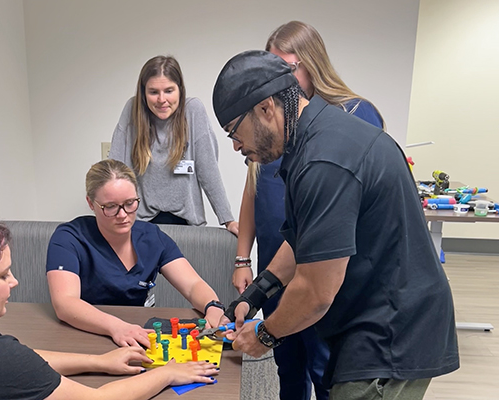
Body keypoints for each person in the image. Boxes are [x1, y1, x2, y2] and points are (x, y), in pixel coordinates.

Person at [212, 50, 459, 400]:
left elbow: (314, 293)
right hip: (377, 316)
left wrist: (264, 335)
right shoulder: (319, 135)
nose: (237, 145)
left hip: (391, 331)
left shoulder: (323, 162)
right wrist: (255, 294)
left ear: (266, 108)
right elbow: (303, 240)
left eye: (235, 131)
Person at [0, 209, 218, 400]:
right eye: (4, 275)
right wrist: (168, 373)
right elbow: (99, 399)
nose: (14, 283)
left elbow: (23, 360)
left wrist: (98, 361)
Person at [233, 21, 386, 400]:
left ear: (311, 64)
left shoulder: (342, 128)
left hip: (334, 275)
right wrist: (253, 287)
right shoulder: (275, 130)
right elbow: (293, 227)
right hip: (286, 259)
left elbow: (320, 277)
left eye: (285, 69)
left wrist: (264, 333)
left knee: (327, 369)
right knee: (289, 366)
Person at [46, 159, 227, 348]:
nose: (123, 214)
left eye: (130, 203)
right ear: (91, 203)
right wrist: (116, 327)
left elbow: (192, 284)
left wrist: (212, 306)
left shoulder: (152, 237)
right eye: (110, 207)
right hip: (85, 332)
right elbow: (65, 303)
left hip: (135, 333)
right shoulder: (69, 238)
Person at [110, 55, 238, 235]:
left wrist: (228, 219)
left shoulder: (193, 111)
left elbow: (208, 170)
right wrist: (110, 217)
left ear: (180, 90)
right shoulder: (133, 110)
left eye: (169, 91)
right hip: (141, 224)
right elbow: (117, 168)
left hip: (186, 225)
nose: (162, 99)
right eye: (153, 92)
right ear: (143, 93)